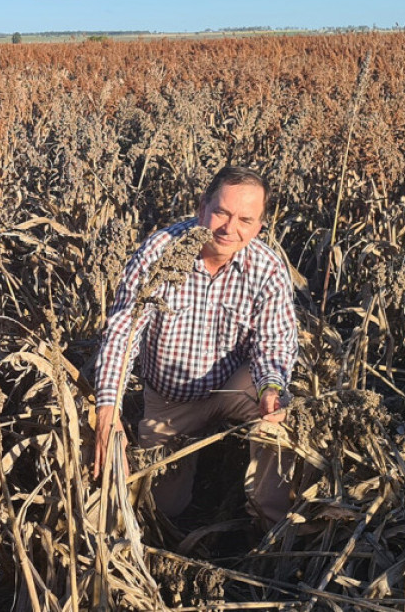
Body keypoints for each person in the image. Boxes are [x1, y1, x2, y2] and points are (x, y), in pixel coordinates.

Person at [92, 166, 299, 526]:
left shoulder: (267, 267)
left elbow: (274, 342)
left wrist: (270, 389)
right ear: (202, 208)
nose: (229, 228)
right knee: (164, 508)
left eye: (245, 220)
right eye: (222, 212)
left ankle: (270, 526)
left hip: (232, 387)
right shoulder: (161, 252)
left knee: (277, 421)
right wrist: (107, 414)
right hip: (171, 401)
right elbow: (124, 331)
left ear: (259, 227)